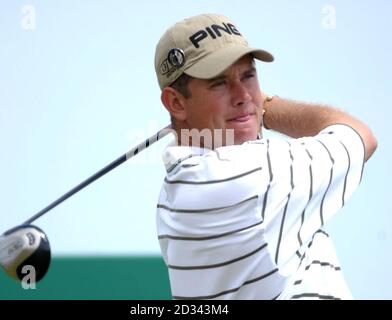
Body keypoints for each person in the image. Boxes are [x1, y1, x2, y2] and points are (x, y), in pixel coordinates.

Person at [154, 13, 377, 300]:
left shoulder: (172, 194)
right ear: (175, 102)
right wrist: (265, 106)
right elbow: (359, 135)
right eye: (218, 83)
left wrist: (244, 112)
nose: (242, 94)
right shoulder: (250, 173)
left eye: (248, 76)